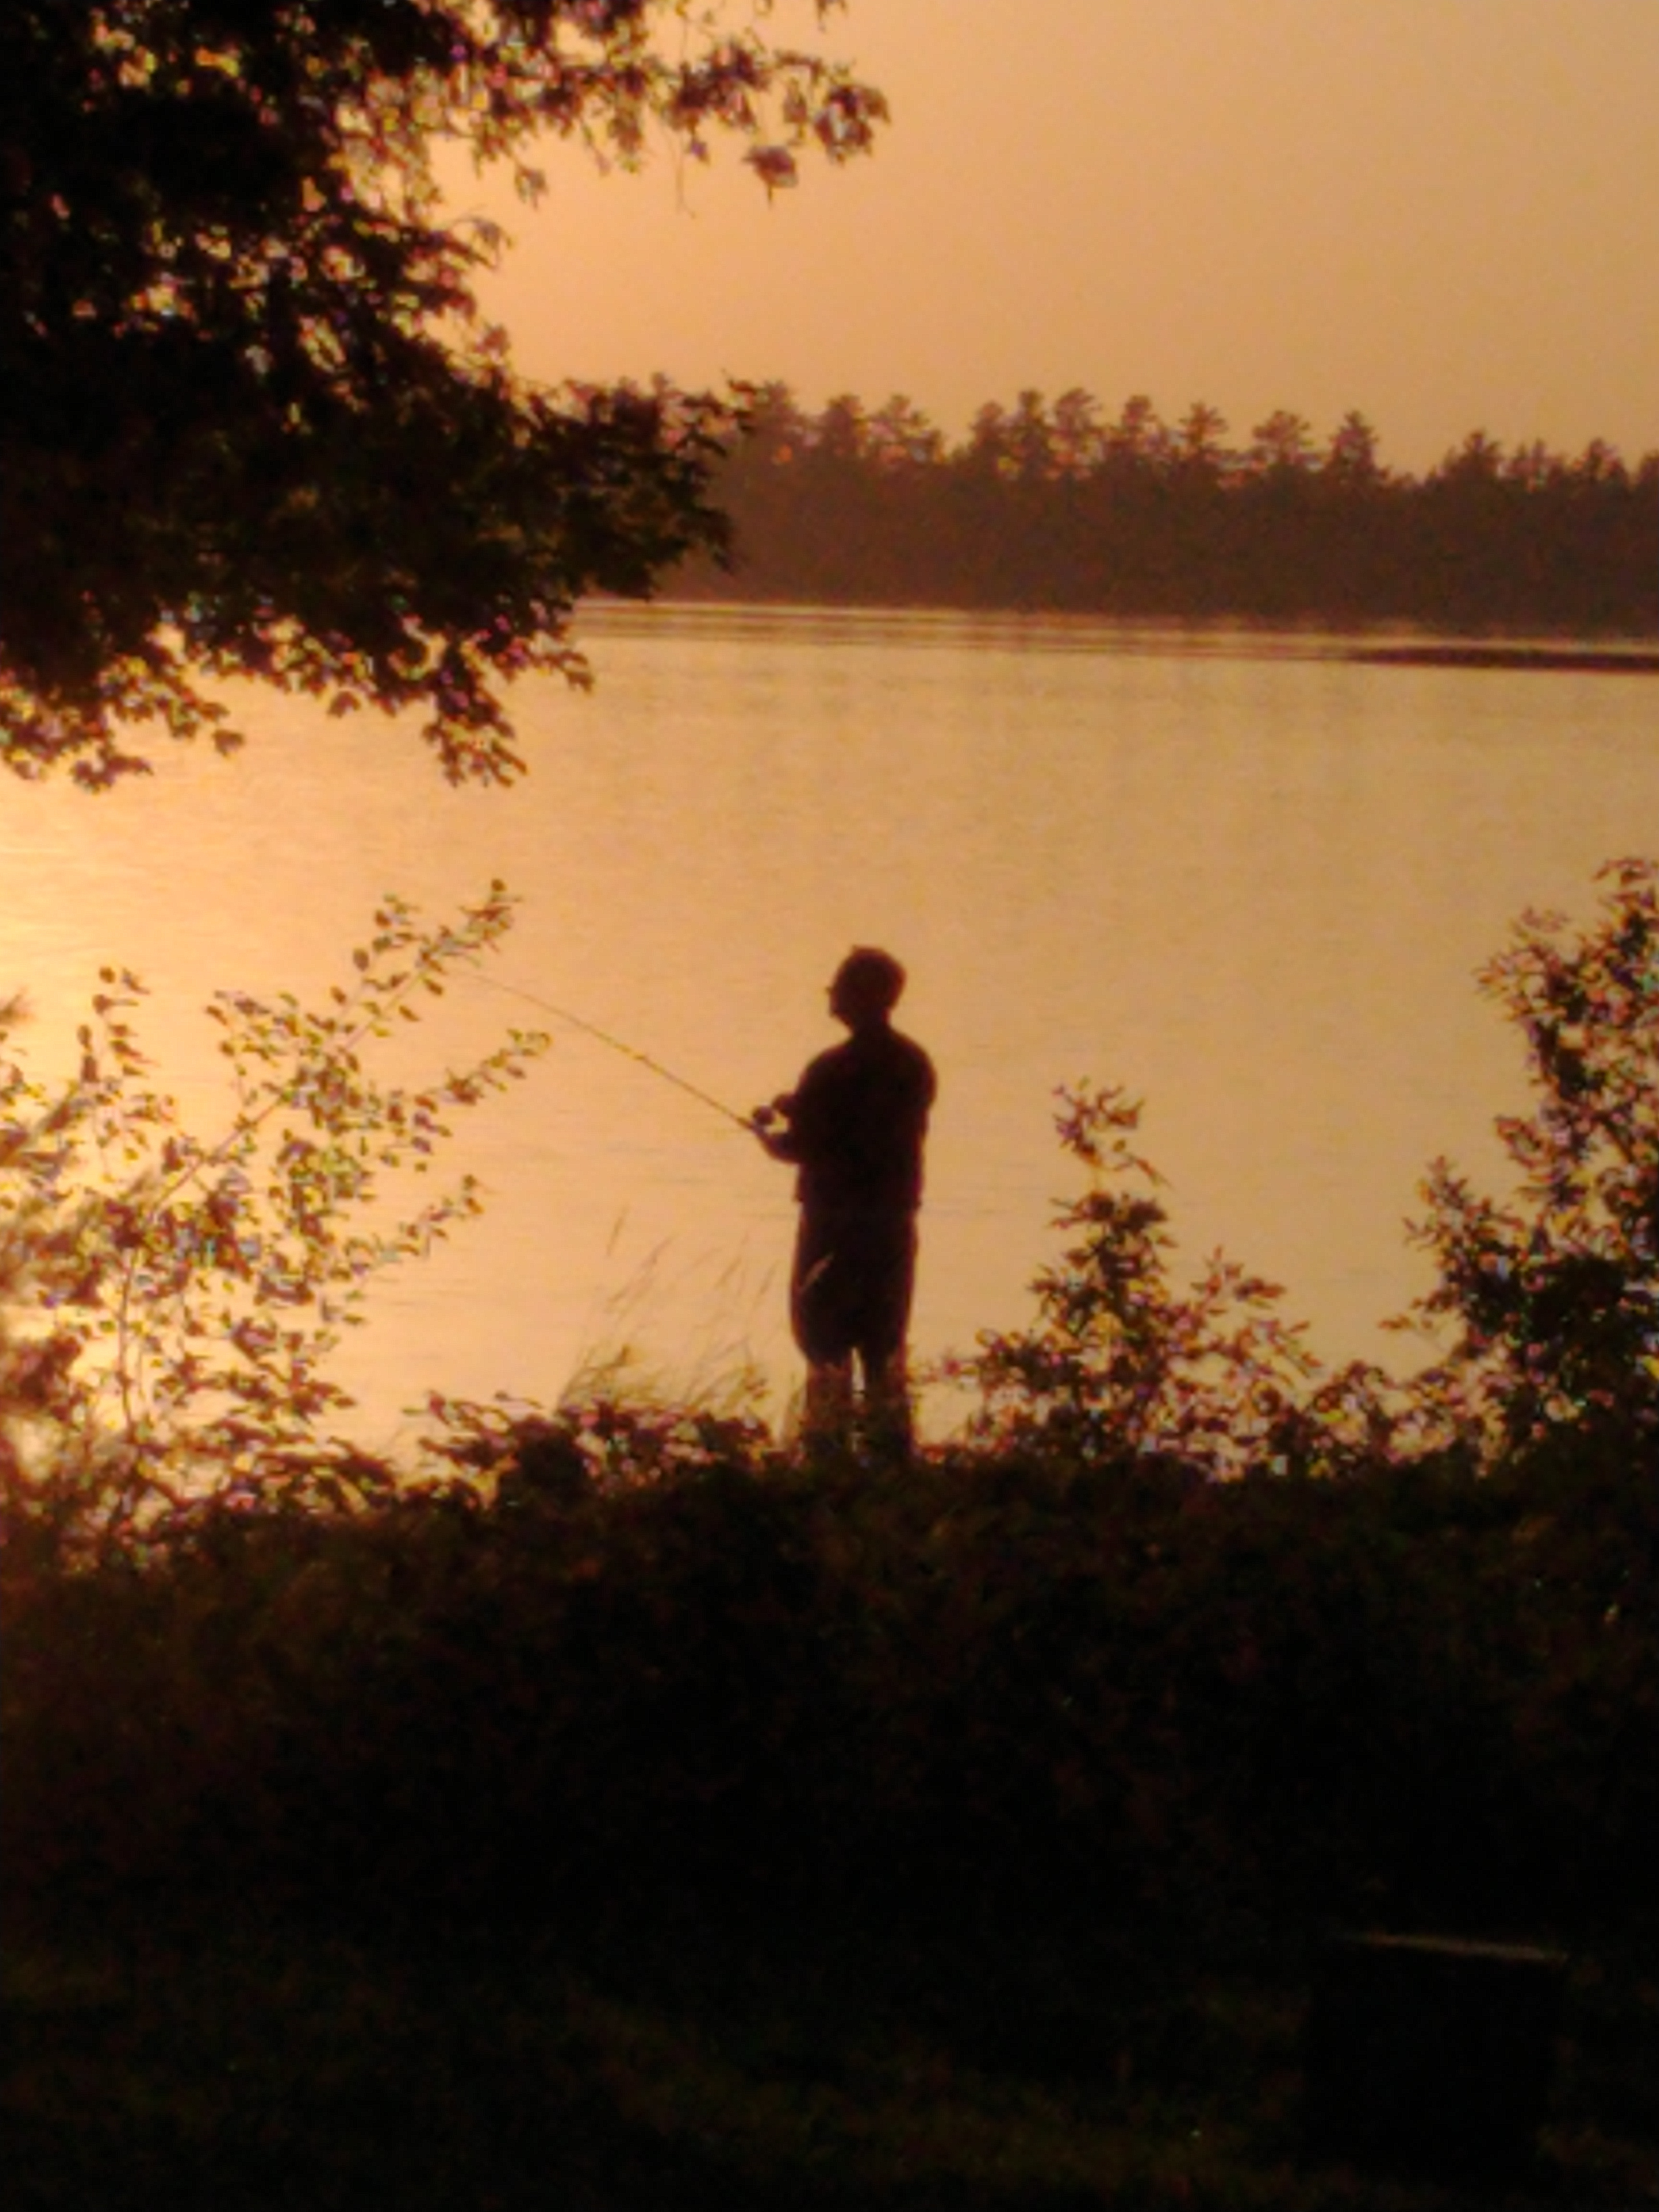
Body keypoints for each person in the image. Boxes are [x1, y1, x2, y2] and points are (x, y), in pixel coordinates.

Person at [753, 947, 937, 1449]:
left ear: (858, 996)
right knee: (884, 1352)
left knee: (825, 1350)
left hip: (832, 1228)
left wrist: (767, 1136)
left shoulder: (830, 1069)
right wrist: (803, 1108)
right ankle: (891, 1458)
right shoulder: (913, 1064)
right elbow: (871, 1127)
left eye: (838, 986)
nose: (831, 995)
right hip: (891, 1226)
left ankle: (826, 1457)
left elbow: (803, 1147)